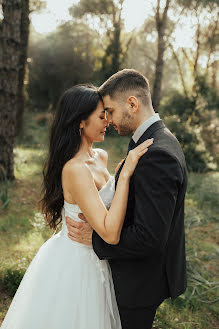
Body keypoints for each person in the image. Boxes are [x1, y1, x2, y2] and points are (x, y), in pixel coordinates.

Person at [1, 84, 153, 329]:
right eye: (101, 115)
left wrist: (119, 174)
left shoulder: (101, 156)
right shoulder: (74, 169)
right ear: (81, 122)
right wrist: (124, 177)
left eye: (107, 113)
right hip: (77, 264)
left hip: (101, 258)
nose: (107, 120)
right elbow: (110, 232)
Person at [66, 70, 188, 329]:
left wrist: (95, 238)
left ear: (132, 104)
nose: (107, 120)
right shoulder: (153, 140)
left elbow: (150, 238)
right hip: (132, 276)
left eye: (109, 110)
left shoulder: (157, 154)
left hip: (139, 284)